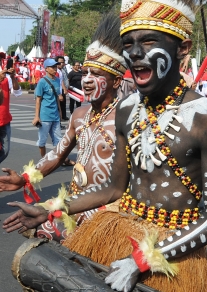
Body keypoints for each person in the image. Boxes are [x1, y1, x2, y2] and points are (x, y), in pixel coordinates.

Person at [3, 1, 207, 292]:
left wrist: (143, 260)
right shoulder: (128, 109)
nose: (136, 53)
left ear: (183, 48)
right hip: (112, 240)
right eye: (128, 44)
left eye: (149, 41)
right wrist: (49, 209)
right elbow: (113, 189)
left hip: (173, 259)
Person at [0, 14, 126, 242]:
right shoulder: (80, 115)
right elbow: (57, 155)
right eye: (86, 72)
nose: (87, 79)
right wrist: (24, 179)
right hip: (76, 203)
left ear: (116, 81)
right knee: (40, 231)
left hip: (109, 210)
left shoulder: (127, 118)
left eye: (96, 74)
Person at [33, 58, 63, 158]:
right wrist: (36, 117)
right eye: (53, 67)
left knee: (58, 140)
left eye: (56, 67)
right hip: (45, 116)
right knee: (42, 141)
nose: (55, 69)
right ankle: (43, 160)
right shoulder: (42, 82)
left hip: (55, 115)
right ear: (46, 69)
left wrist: (60, 111)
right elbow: (38, 100)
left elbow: (57, 98)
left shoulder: (58, 80)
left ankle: (58, 160)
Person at [0, 65, 22, 163]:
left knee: (5, 151)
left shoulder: (5, 77)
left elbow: (17, 92)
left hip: (4, 119)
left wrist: (13, 78)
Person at [55, 55, 69, 121]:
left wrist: (65, 88)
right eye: (60, 62)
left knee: (62, 105)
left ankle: (62, 117)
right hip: (57, 91)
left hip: (61, 90)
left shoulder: (61, 70)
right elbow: (56, 82)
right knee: (58, 106)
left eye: (63, 62)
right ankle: (58, 119)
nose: (62, 63)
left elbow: (62, 81)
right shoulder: (55, 71)